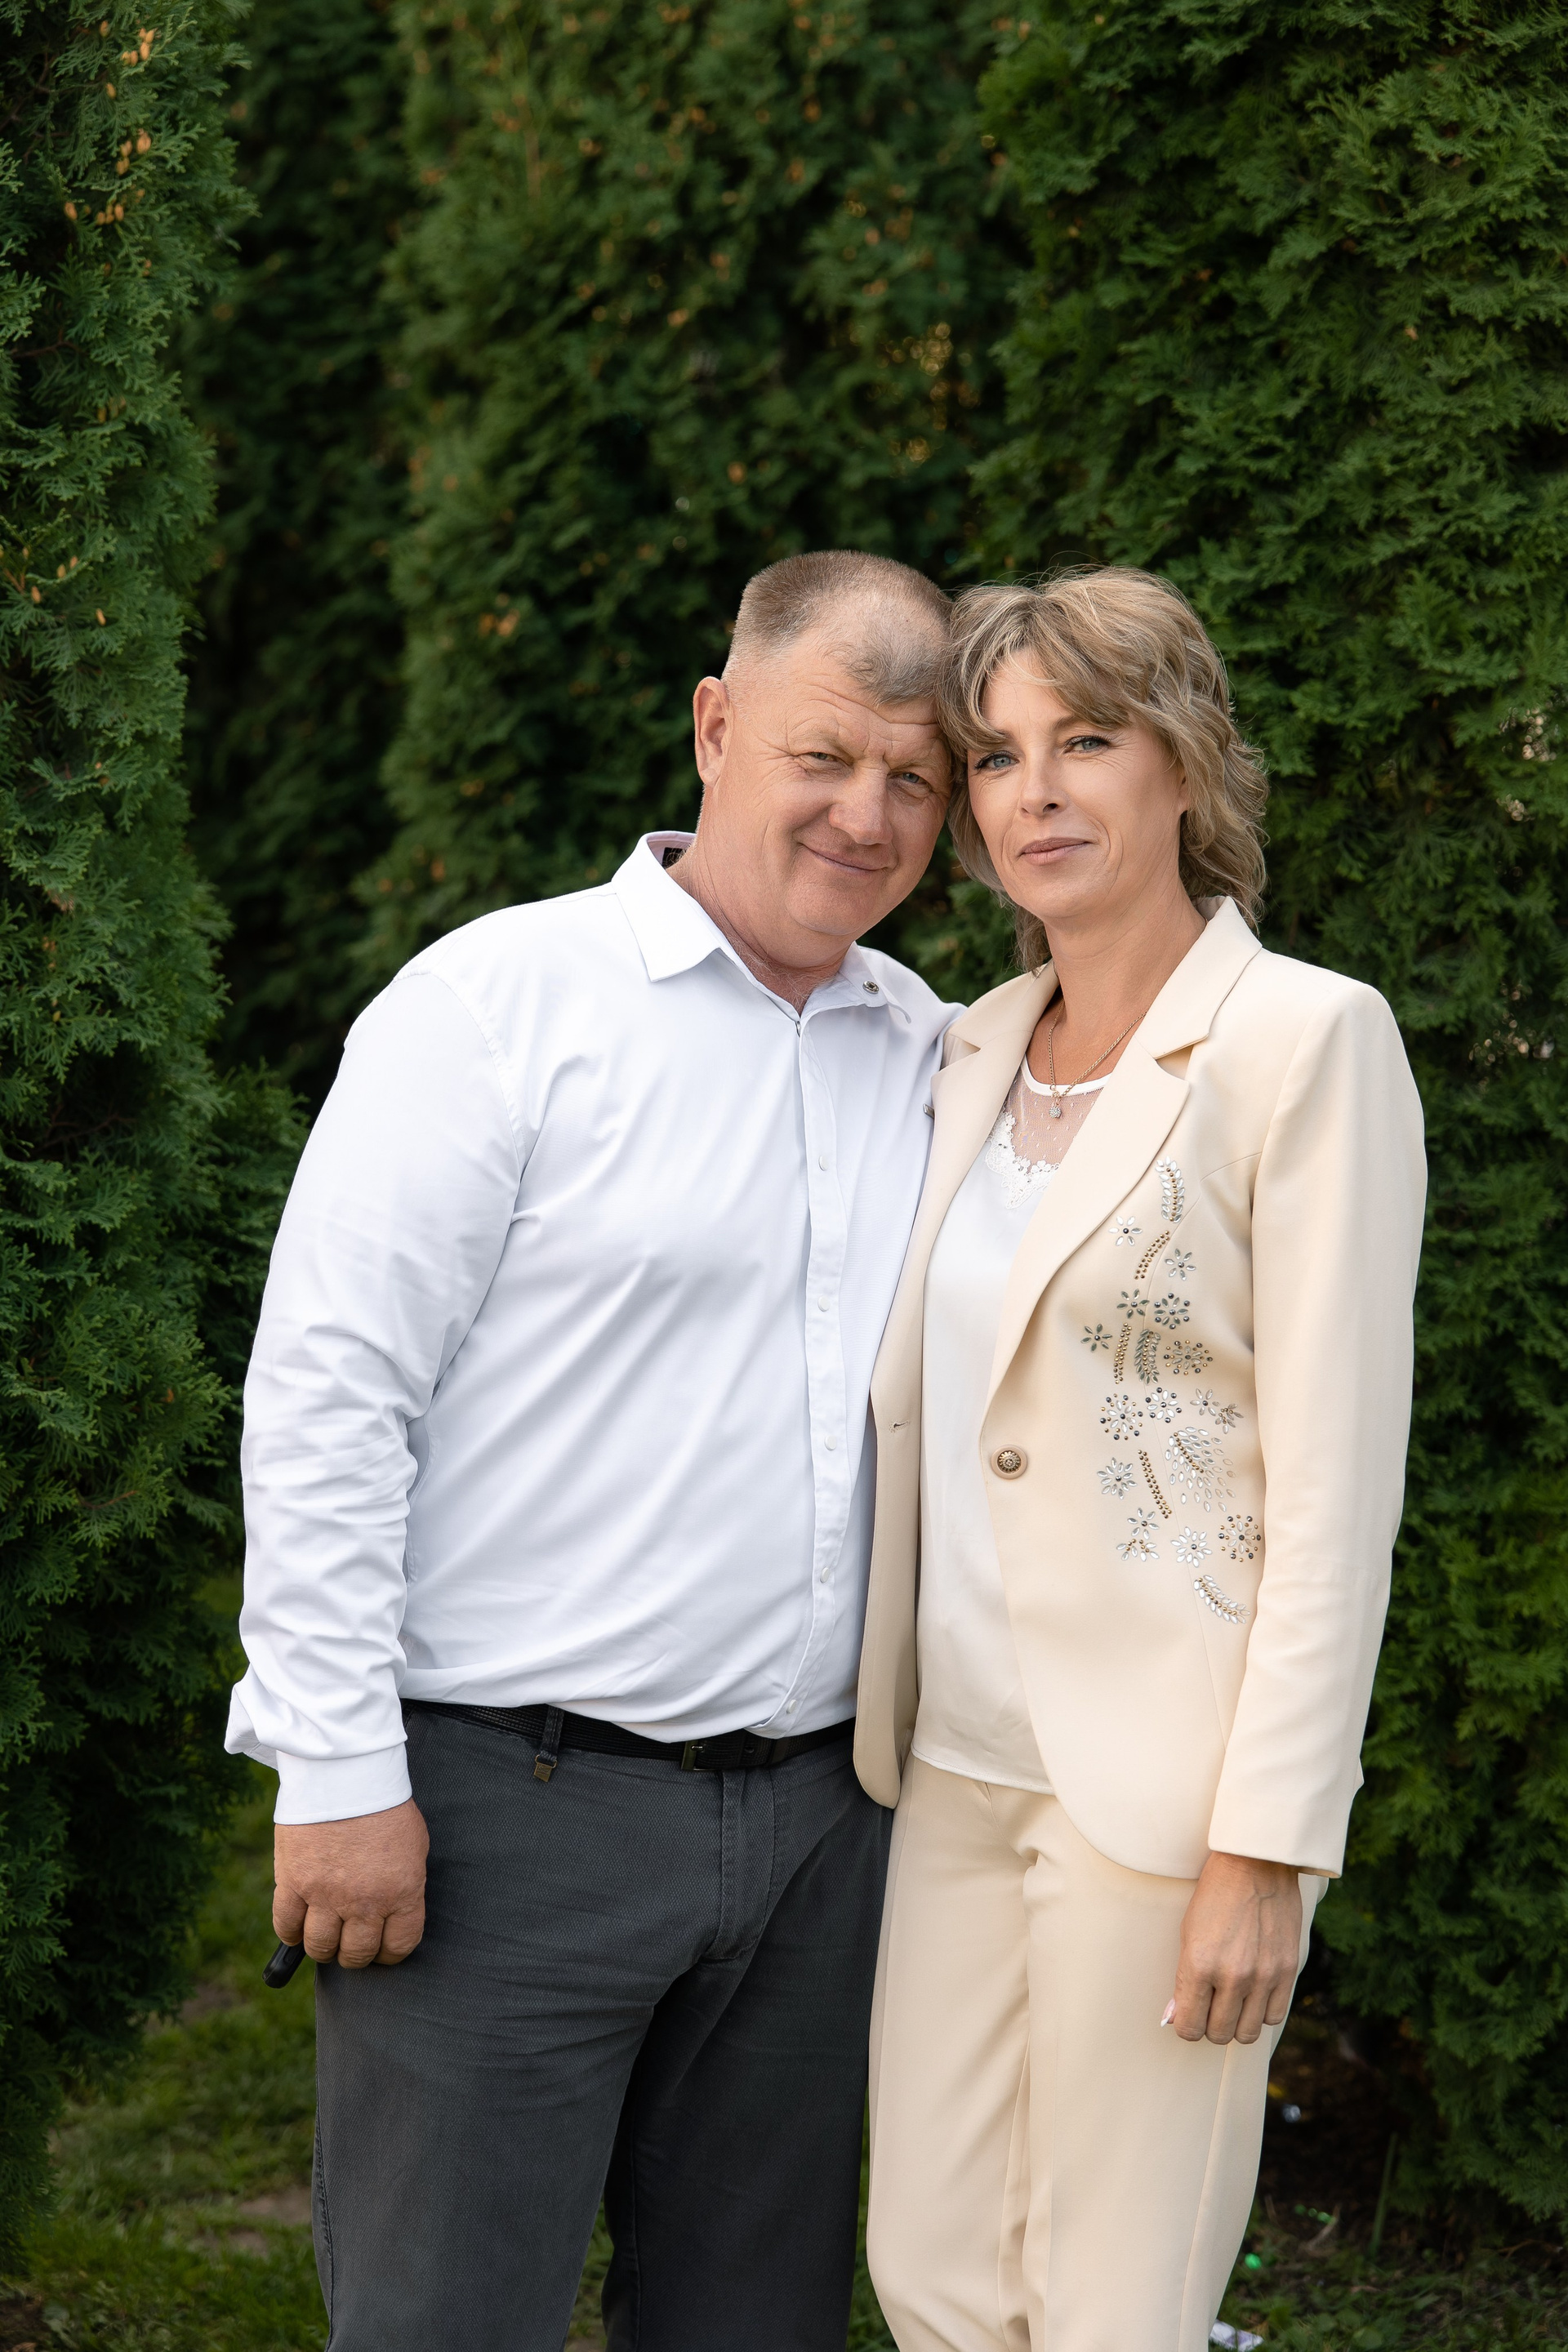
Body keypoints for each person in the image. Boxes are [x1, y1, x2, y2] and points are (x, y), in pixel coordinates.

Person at [225, 550, 960, 2352]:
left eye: (915, 776)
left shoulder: (934, 1053)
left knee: (750, 2324)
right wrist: (335, 1764)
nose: (866, 816)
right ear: (715, 728)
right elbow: (331, 1391)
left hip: (822, 1835)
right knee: (447, 2321)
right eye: (823, 756)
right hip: (510, 1817)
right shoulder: (501, 1003)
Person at [854, 568, 1426, 2351]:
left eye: (1085, 741)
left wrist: (1267, 1849)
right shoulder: (964, 1047)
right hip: (948, 1766)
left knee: (1113, 2307)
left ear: (1184, 762)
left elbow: (1336, 1494)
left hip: (1164, 1801)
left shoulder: (1305, 1042)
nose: (1034, 791)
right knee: (934, 2278)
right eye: (997, 755)